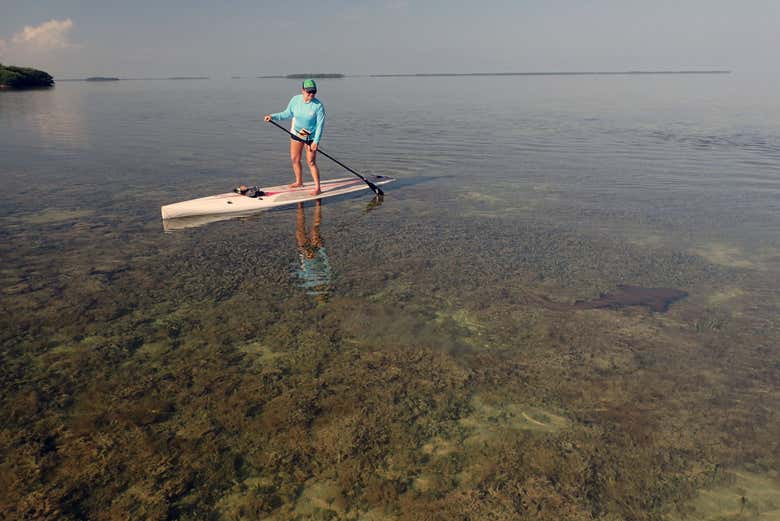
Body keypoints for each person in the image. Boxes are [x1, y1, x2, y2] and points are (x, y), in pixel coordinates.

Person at [264, 79, 326, 196]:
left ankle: (318, 188)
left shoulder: (318, 106)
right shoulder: (295, 100)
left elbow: (320, 125)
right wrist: (272, 116)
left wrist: (316, 141)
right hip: (297, 133)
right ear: (302, 90)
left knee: (311, 161)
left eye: (314, 92)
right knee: (295, 159)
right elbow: (287, 114)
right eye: (309, 92)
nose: (311, 94)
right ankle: (299, 182)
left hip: (311, 137)